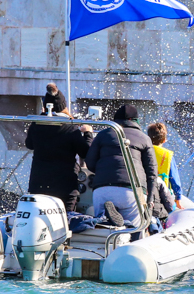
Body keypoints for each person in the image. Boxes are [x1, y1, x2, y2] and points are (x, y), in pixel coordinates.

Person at [24, 84, 93, 212]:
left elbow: (29, 144)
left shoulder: (36, 125)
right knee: (65, 222)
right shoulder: (71, 128)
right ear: (63, 107)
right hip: (64, 187)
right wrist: (88, 134)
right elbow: (85, 152)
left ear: (45, 106)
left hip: (38, 185)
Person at [85, 104, 157, 226]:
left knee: (103, 230)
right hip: (132, 190)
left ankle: (110, 220)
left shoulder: (103, 134)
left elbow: (90, 163)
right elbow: (152, 173)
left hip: (102, 189)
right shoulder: (144, 138)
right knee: (134, 230)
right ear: (135, 121)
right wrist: (150, 200)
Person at [146, 122, 183, 213]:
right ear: (164, 140)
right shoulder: (167, 155)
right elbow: (174, 180)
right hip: (162, 195)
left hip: (145, 192)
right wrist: (178, 198)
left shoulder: (143, 151)